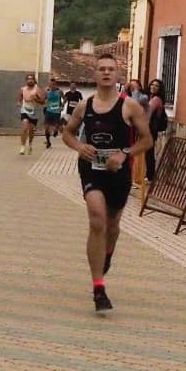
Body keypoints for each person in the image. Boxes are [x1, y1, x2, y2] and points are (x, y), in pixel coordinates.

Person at [62, 53, 153, 312]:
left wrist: (125, 154)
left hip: (118, 172)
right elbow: (67, 134)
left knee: (112, 224)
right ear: (95, 74)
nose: (106, 73)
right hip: (91, 169)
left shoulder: (129, 106)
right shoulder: (85, 106)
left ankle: (108, 254)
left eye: (110, 69)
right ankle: (98, 287)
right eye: (101, 69)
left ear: (117, 74)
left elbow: (147, 140)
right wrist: (80, 147)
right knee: (97, 219)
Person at [17, 73, 45, 155]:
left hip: (34, 112)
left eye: (31, 79)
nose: (30, 81)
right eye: (28, 79)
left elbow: (43, 101)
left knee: (31, 130)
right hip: (24, 110)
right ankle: (22, 146)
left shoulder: (37, 89)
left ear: (34, 80)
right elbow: (19, 98)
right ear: (26, 81)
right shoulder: (23, 89)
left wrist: (36, 99)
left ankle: (30, 144)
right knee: (25, 127)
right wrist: (19, 102)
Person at [146, 79, 167, 183]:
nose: (153, 87)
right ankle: (149, 176)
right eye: (152, 85)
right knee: (148, 153)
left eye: (156, 86)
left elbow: (147, 114)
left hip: (150, 130)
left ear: (159, 89)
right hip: (151, 130)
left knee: (148, 153)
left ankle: (150, 177)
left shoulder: (156, 100)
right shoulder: (153, 98)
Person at [43, 79, 63, 148]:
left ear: (56, 85)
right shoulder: (47, 92)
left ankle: (56, 131)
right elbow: (43, 99)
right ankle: (48, 142)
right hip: (48, 111)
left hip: (56, 112)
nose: (52, 86)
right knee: (46, 128)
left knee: (54, 128)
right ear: (49, 85)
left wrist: (62, 106)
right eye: (51, 84)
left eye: (53, 84)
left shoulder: (59, 92)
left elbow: (65, 98)